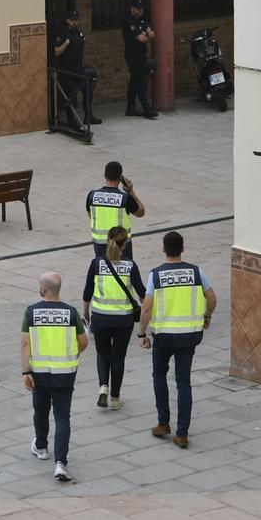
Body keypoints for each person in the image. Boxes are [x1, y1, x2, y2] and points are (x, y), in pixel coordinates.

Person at [138, 231, 218, 449]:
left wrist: (142, 334)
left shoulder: (155, 275)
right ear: (183, 248)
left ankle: (163, 423)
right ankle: (182, 433)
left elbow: (146, 307)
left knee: (159, 375)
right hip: (189, 336)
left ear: (163, 250)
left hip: (163, 336)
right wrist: (206, 317)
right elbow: (212, 298)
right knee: (183, 382)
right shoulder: (196, 272)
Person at [21, 271, 89, 481]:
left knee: (40, 411)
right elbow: (83, 341)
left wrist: (25, 372)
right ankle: (61, 463)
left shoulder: (31, 312)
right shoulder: (70, 313)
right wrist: (72, 353)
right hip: (65, 374)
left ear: (44, 288)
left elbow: (25, 343)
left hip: (39, 374)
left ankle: (41, 447)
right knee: (62, 417)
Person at [82, 226, 146, 411]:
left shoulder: (96, 264)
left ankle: (103, 386)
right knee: (118, 357)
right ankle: (115, 397)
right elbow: (142, 292)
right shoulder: (130, 265)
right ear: (124, 244)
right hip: (123, 321)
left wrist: (86, 314)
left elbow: (87, 293)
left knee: (102, 353)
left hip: (100, 318)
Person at [87, 161, 145, 258]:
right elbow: (141, 212)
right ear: (120, 178)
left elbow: (91, 216)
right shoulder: (125, 198)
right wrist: (131, 191)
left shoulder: (92, 196)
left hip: (100, 246)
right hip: (121, 246)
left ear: (105, 175)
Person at [53, 10, 102, 126]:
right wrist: (66, 44)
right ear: (68, 20)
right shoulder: (63, 33)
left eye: (76, 20)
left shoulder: (78, 33)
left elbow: (84, 42)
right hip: (67, 68)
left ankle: (88, 116)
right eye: (72, 20)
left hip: (78, 66)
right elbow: (56, 52)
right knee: (70, 94)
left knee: (87, 89)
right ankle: (71, 119)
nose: (75, 22)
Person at [121, 0, 159, 119]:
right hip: (132, 56)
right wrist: (148, 36)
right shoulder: (128, 20)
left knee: (134, 82)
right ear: (132, 9)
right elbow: (141, 38)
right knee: (141, 81)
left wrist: (146, 32)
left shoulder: (141, 19)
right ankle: (147, 109)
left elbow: (148, 29)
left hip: (141, 55)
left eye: (141, 8)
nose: (140, 10)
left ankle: (130, 108)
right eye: (138, 9)